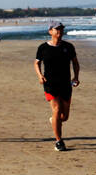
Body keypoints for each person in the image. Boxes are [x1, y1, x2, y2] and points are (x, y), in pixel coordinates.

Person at [34, 21, 80, 151]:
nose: (59, 32)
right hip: (50, 84)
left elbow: (75, 63)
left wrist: (76, 77)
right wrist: (40, 76)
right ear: (50, 31)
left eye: (61, 29)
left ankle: (54, 120)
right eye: (56, 29)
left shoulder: (68, 47)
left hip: (65, 84)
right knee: (57, 109)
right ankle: (59, 141)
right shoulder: (43, 48)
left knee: (64, 117)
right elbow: (36, 63)